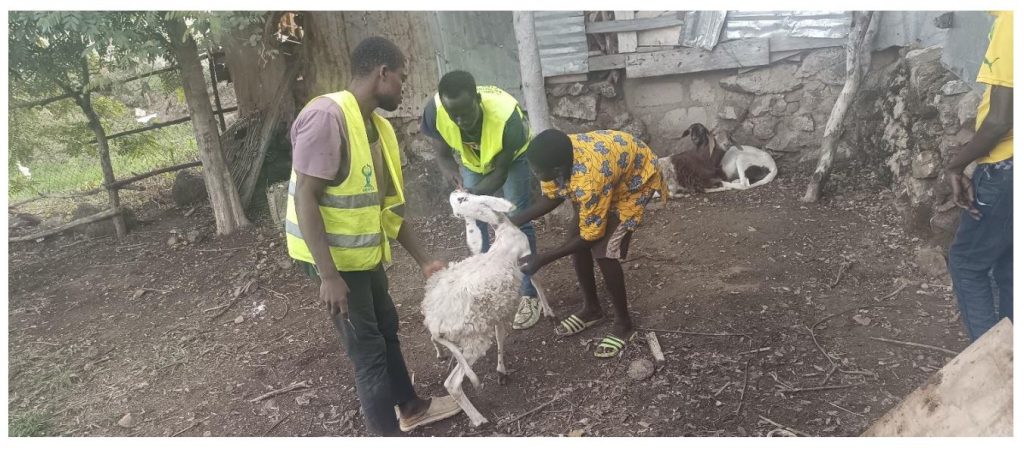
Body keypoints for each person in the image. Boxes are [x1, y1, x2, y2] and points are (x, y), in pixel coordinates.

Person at [285, 36, 461, 435]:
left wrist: (424, 260)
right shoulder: (327, 117)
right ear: (382, 73)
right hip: (333, 262)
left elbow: (388, 209)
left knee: (386, 327)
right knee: (368, 354)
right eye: (402, 77)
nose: (404, 86)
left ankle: (412, 407)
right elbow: (305, 197)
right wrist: (329, 276)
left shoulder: (378, 128)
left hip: (363, 257)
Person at [512, 129, 668, 358]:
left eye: (536, 171)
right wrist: (512, 221)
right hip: (609, 173)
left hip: (635, 181)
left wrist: (542, 258)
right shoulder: (557, 160)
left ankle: (624, 325)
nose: (534, 174)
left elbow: (591, 236)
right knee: (574, 239)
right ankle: (592, 309)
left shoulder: (590, 178)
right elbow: (552, 196)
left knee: (604, 251)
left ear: (556, 170)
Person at [420, 70, 542, 330]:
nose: (461, 121)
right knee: (475, 221)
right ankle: (487, 288)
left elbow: (499, 173)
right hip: (473, 160)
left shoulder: (507, 118)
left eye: (467, 112)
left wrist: (474, 195)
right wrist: (453, 174)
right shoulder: (435, 112)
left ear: (477, 98)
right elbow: (442, 155)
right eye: (455, 116)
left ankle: (528, 294)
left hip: (511, 161)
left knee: (517, 220)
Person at [945, 11, 1014, 342]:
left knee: (967, 263)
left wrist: (956, 165)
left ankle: (993, 368)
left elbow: (1001, 121)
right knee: (1011, 268)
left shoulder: (1013, 19)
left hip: (1008, 169)